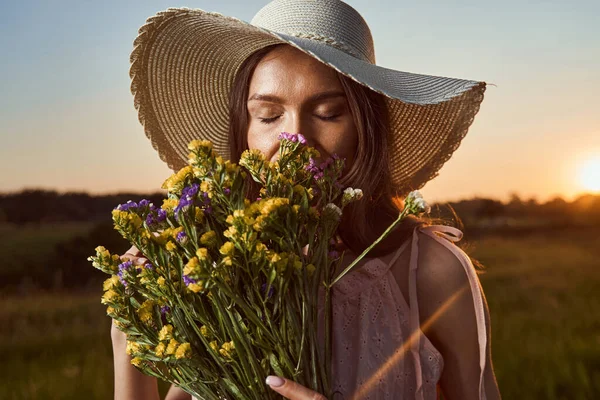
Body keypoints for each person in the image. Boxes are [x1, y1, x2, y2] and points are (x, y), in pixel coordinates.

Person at [113, 0, 502, 399]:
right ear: (243, 130)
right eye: (268, 115)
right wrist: (129, 334)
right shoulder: (217, 274)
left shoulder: (429, 270)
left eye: (329, 113)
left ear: (365, 127)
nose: (295, 138)